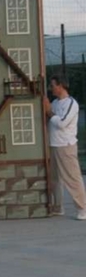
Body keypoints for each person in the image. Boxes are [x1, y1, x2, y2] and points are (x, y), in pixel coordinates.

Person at [43, 75, 86, 220]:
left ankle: (83, 208)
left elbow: (62, 123)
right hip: (53, 145)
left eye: (53, 85)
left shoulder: (71, 103)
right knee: (55, 179)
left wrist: (49, 111)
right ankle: (58, 207)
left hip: (66, 146)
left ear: (61, 86)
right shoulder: (55, 103)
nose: (51, 88)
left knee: (72, 178)